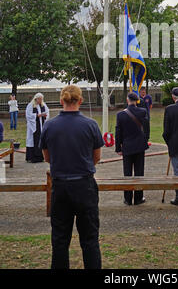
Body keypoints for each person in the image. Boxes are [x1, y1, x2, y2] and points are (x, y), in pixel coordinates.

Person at [40, 85, 104, 270]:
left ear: (61, 101)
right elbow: (96, 157)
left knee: (60, 239)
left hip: (60, 186)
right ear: (80, 101)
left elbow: (46, 157)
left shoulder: (50, 125)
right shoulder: (90, 125)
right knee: (90, 239)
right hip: (84, 185)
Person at [115, 92, 149, 206]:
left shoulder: (120, 115)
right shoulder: (143, 111)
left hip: (127, 145)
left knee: (127, 173)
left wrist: (118, 147)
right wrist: (146, 140)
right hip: (139, 145)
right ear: (137, 100)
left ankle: (128, 198)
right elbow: (146, 128)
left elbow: (118, 132)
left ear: (127, 100)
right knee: (139, 172)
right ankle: (138, 198)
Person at [25, 93, 49, 163]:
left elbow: (47, 112)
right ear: (36, 99)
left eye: (41, 99)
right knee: (33, 140)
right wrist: (37, 115)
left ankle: (40, 157)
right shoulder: (30, 105)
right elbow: (28, 115)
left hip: (41, 125)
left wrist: (45, 115)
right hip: (34, 126)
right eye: (39, 99)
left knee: (40, 140)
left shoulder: (43, 105)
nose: (40, 101)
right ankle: (32, 157)